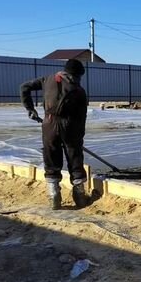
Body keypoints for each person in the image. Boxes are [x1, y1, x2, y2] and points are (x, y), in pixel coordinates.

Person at [20, 58, 89, 210]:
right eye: (78, 77)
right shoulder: (78, 90)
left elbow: (24, 87)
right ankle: (80, 196)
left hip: (49, 123)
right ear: (74, 75)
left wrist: (30, 109)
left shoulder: (47, 80)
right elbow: (81, 117)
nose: (78, 80)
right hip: (69, 125)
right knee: (75, 157)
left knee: (51, 156)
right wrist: (79, 138)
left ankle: (54, 196)